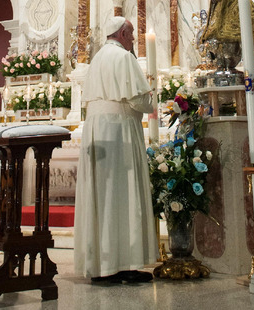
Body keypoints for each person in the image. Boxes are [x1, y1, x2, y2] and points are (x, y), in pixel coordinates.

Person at [74, 16, 157, 283]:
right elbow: (139, 100)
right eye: (131, 34)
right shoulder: (124, 58)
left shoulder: (97, 58)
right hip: (119, 129)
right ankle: (126, 264)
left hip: (97, 129)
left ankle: (101, 264)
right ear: (122, 33)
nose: (133, 39)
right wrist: (154, 96)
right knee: (123, 193)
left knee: (102, 196)